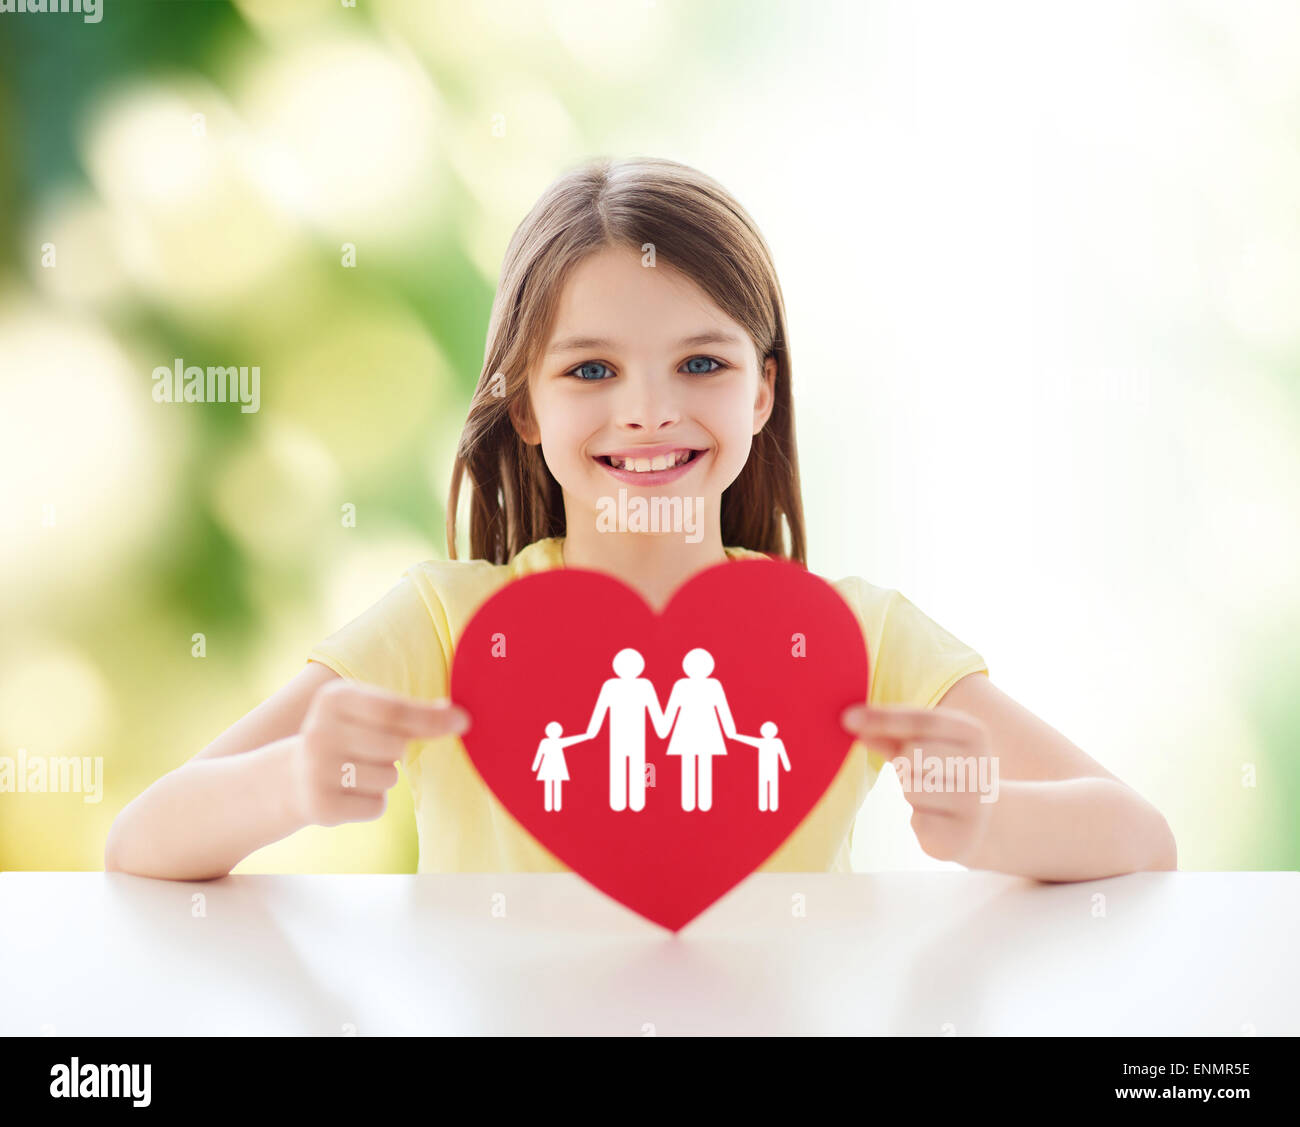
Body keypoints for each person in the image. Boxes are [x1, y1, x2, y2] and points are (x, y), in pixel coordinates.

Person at [105, 156, 1177, 882]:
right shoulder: (441, 623)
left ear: (761, 391)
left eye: (700, 363)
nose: (650, 409)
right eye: (591, 369)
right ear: (525, 403)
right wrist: (292, 780)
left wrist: (991, 818)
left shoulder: (860, 635)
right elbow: (142, 841)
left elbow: (1138, 835)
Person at [659, 648, 737, 812]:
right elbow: (673, 707)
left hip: (701, 731)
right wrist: (664, 727)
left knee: (701, 764)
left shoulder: (709, 685)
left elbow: (721, 708)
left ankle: (701, 802)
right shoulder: (684, 685)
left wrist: (664, 728)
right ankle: (693, 802)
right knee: (694, 764)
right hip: (690, 731)